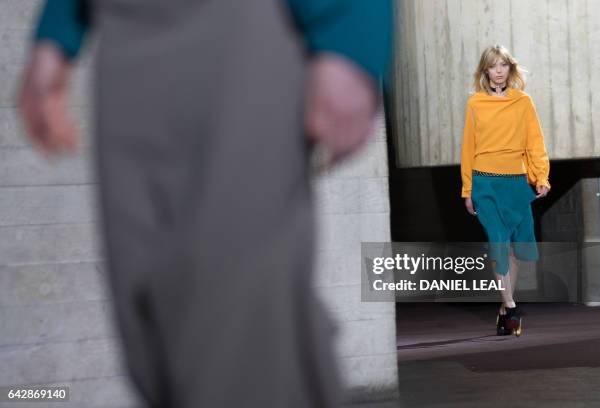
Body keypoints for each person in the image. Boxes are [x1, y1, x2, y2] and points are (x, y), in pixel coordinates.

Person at [17, 0, 392, 406]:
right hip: (122, 31)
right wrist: (56, 29)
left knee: (236, 308)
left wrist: (349, 35)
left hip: (237, 24)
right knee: (147, 311)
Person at [460, 45, 550, 337]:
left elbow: (535, 143)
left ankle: (503, 309)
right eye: (493, 66)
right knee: (498, 243)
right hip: (485, 182)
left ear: (510, 69)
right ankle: (511, 306)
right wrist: (467, 189)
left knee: (513, 248)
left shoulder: (523, 102)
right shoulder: (475, 104)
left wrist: (541, 177)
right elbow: (468, 149)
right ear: (485, 71)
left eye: (503, 65)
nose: (498, 71)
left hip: (515, 182)